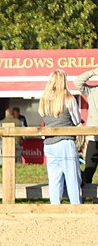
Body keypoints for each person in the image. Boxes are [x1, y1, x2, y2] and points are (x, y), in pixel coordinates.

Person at [39, 70, 83, 205]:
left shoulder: (44, 100)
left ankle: (55, 207)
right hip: (65, 142)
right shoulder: (68, 98)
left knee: (54, 179)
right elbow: (76, 120)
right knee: (72, 178)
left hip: (49, 143)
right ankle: (76, 207)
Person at [75, 69, 98, 186]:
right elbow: (77, 83)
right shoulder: (92, 91)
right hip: (93, 137)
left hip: (93, 136)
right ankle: (84, 198)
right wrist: (93, 72)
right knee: (89, 168)